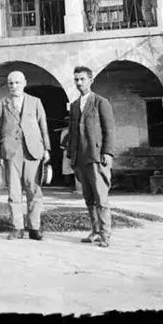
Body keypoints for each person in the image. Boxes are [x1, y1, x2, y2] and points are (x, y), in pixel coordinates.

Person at [0, 71, 51, 241]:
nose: (14, 86)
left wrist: (46, 149)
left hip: (33, 151)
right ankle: (17, 227)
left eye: (17, 83)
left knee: (34, 190)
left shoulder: (35, 102)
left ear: (25, 83)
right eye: (11, 83)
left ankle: (34, 228)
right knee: (14, 192)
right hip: (11, 152)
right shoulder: (2, 104)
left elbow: (43, 125)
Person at [66, 66, 116, 248]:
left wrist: (108, 153)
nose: (79, 83)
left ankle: (105, 234)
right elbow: (72, 133)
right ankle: (95, 231)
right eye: (76, 80)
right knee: (88, 198)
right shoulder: (73, 105)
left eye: (82, 79)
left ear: (90, 80)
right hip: (80, 159)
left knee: (101, 198)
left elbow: (109, 130)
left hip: (96, 158)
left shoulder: (100, 102)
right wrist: (70, 156)